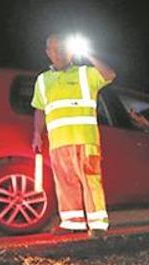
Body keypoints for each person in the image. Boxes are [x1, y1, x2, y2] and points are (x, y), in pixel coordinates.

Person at [31, 34, 116, 238]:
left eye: (62, 48)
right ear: (47, 53)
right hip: (59, 141)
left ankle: (97, 224)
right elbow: (39, 109)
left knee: (90, 180)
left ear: (70, 51)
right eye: (54, 49)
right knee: (64, 182)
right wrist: (36, 134)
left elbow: (110, 75)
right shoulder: (43, 80)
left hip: (85, 140)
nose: (58, 53)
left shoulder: (85, 74)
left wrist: (88, 54)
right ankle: (72, 222)